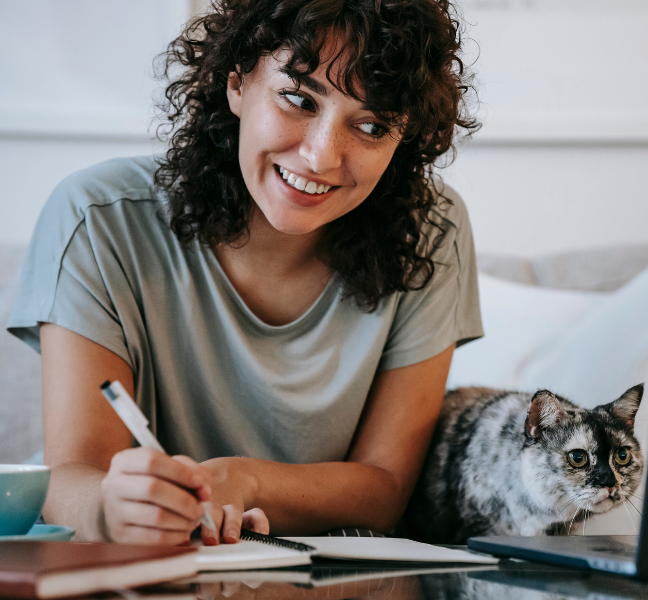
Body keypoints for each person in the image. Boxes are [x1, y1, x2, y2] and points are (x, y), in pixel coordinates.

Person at [7, 0, 481, 545]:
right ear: (236, 83)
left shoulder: (431, 230)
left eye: (372, 125)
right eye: (298, 98)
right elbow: (73, 476)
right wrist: (112, 509)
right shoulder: (96, 219)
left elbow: (384, 488)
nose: (321, 156)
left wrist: (245, 480)